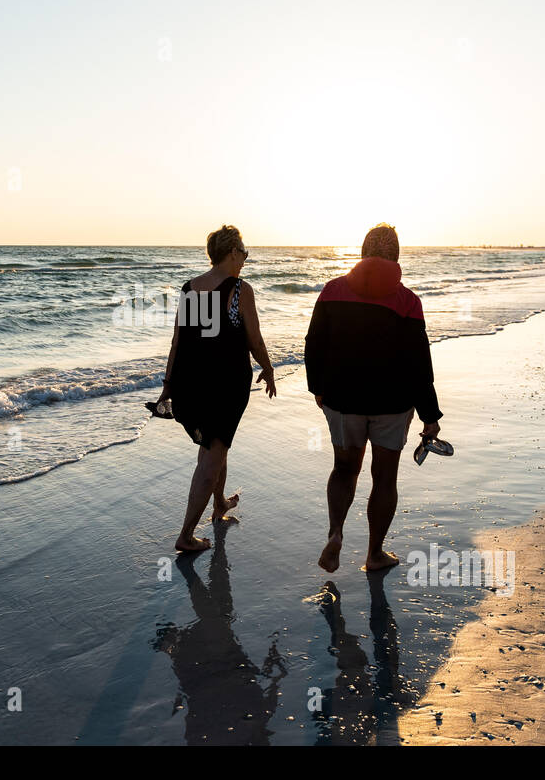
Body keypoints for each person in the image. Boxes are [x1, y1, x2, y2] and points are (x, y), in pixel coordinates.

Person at [304, 223, 442, 573]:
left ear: (362, 252)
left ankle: (335, 534)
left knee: (343, 469)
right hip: (392, 405)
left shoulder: (332, 291)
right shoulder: (408, 302)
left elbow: (313, 344)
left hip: (342, 400)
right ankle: (374, 553)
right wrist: (430, 414)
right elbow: (418, 364)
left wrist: (318, 388)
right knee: (384, 478)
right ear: (396, 256)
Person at [157, 225, 276, 552]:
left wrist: (168, 385)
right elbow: (254, 339)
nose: (245, 259)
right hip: (224, 388)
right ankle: (186, 535)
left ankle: (220, 503)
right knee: (211, 456)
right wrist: (268, 368)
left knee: (214, 445)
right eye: (244, 253)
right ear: (233, 252)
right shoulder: (239, 290)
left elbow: (178, 343)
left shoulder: (190, 288)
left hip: (191, 386)